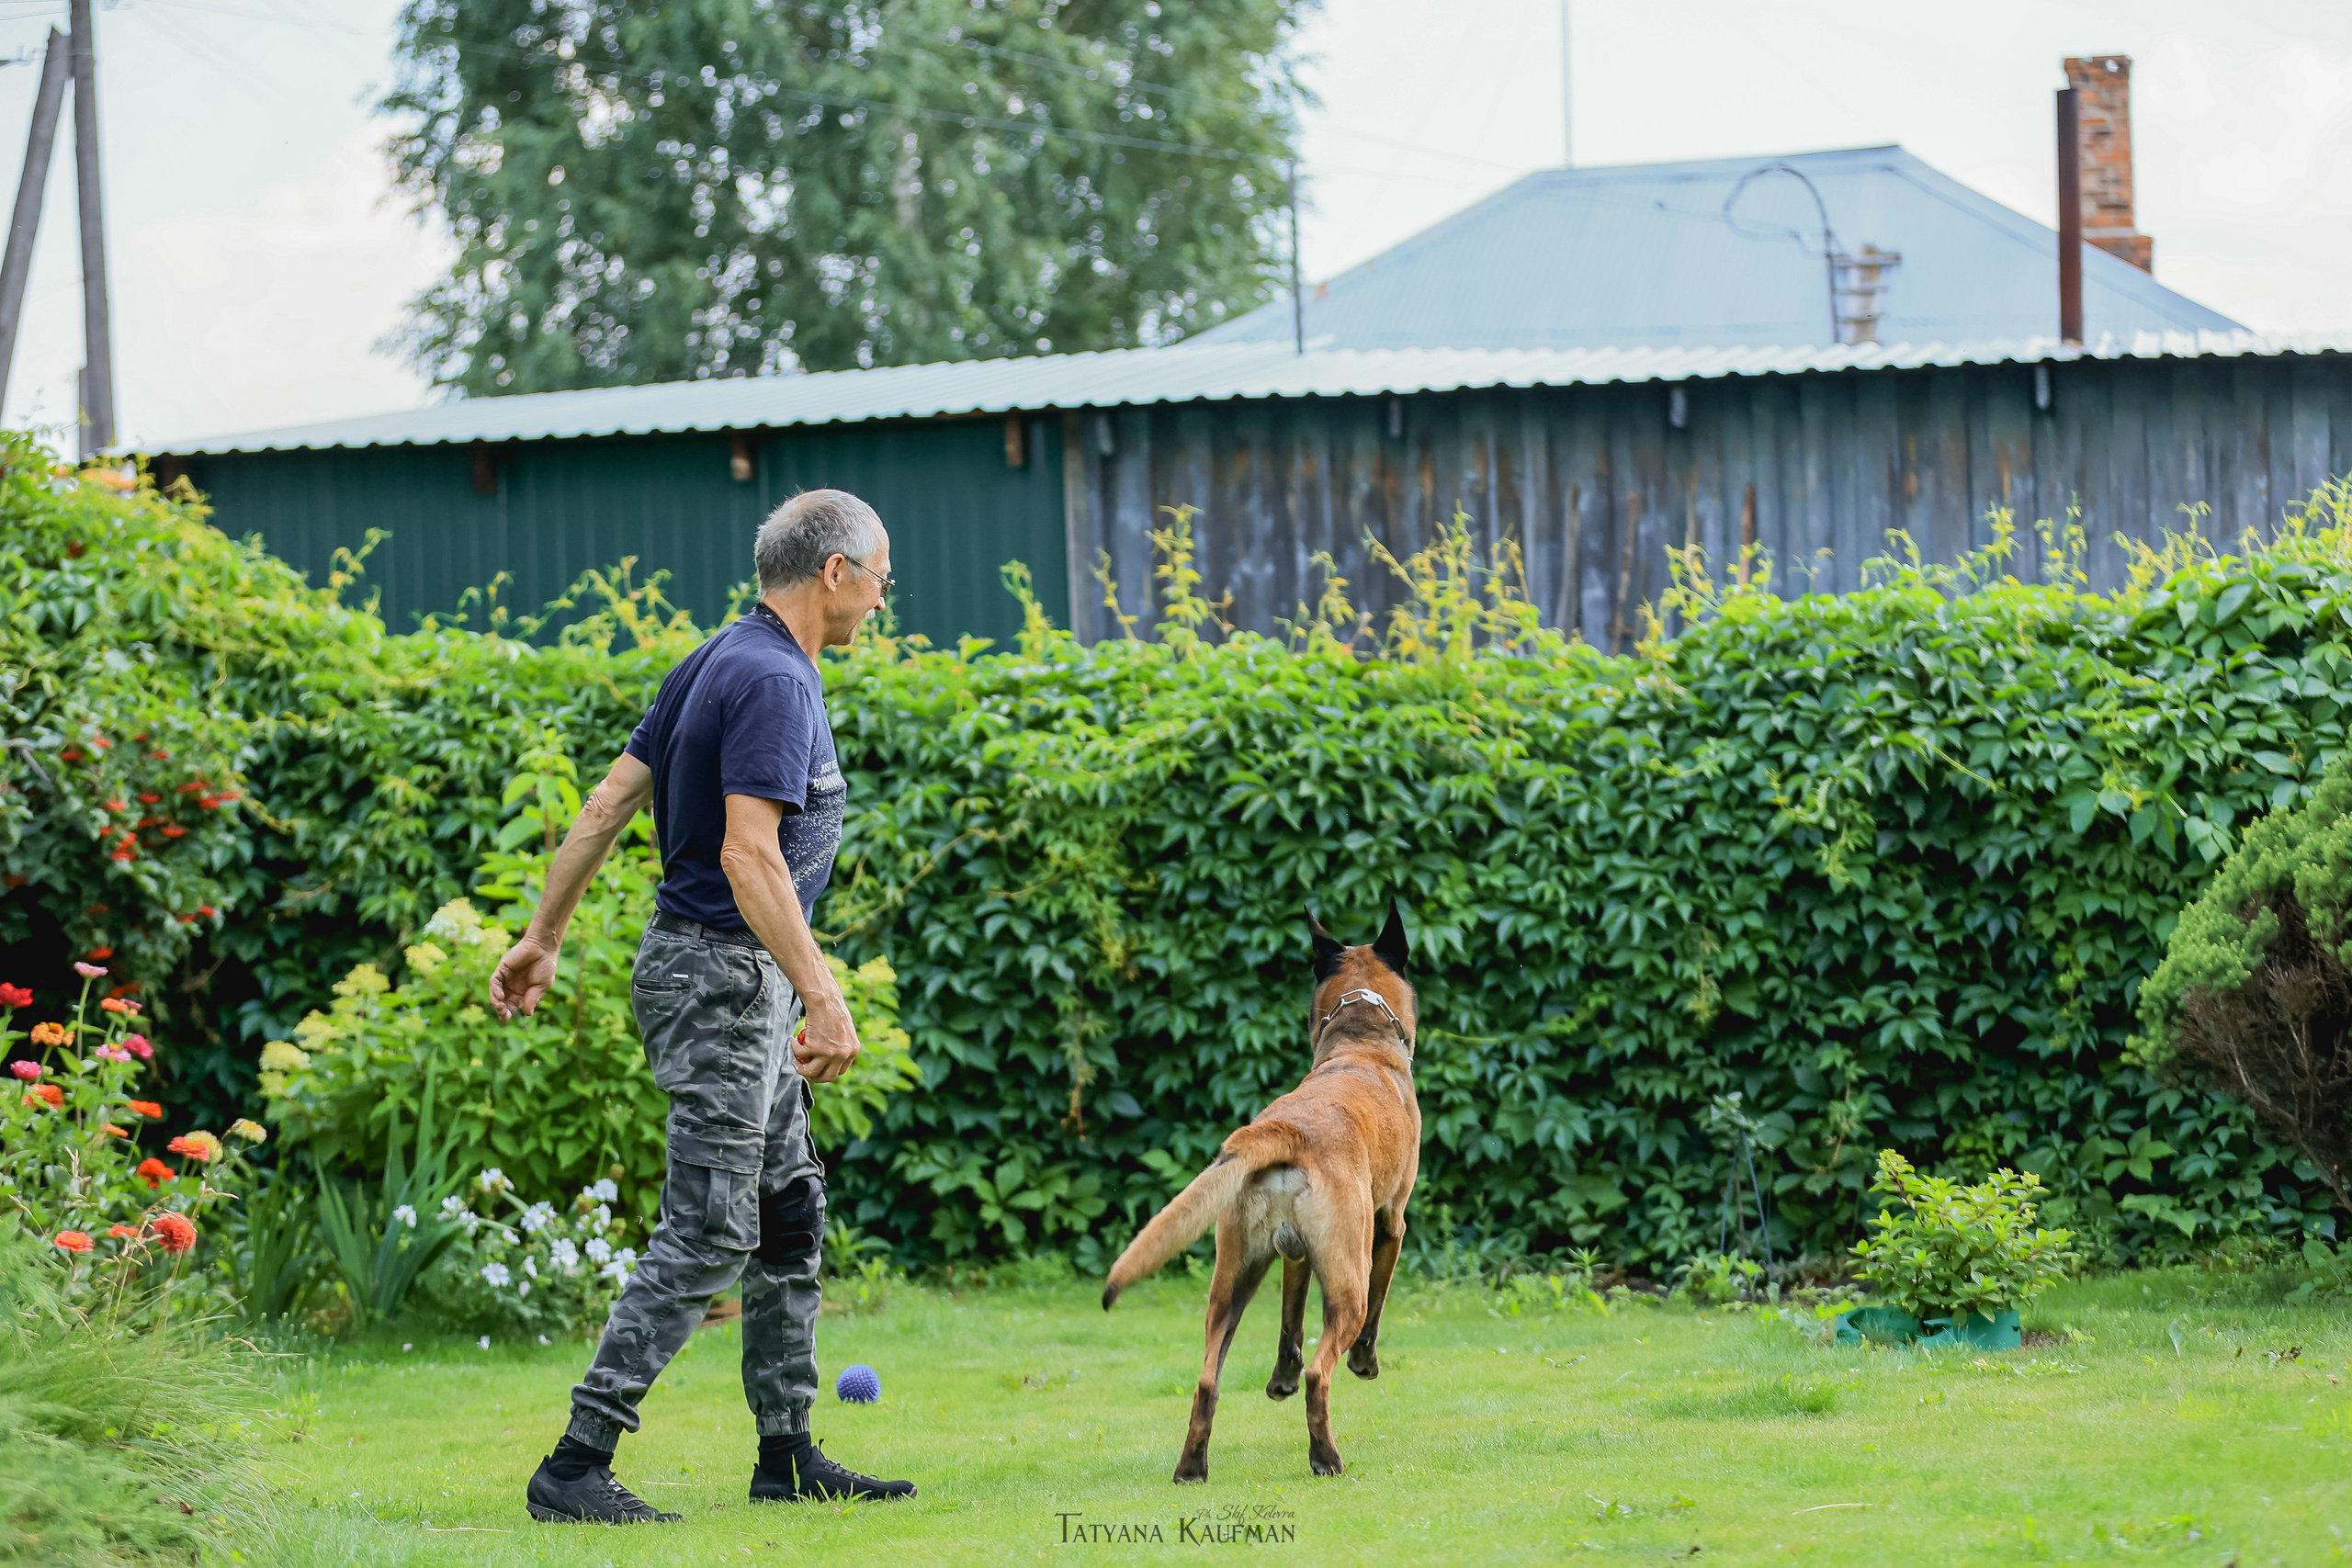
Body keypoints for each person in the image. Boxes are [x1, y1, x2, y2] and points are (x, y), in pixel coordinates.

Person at [487, 489, 916, 1524]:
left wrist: (544, 935)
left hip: (731, 976)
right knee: (713, 1224)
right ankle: (576, 1464)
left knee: (787, 1207)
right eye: (881, 578)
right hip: (722, 978)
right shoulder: (771, 678)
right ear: (835, 572)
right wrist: (826, 996)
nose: (883, 598)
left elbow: (607, 803)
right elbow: (747, 854)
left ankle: (787, 1452)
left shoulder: (718, 658)